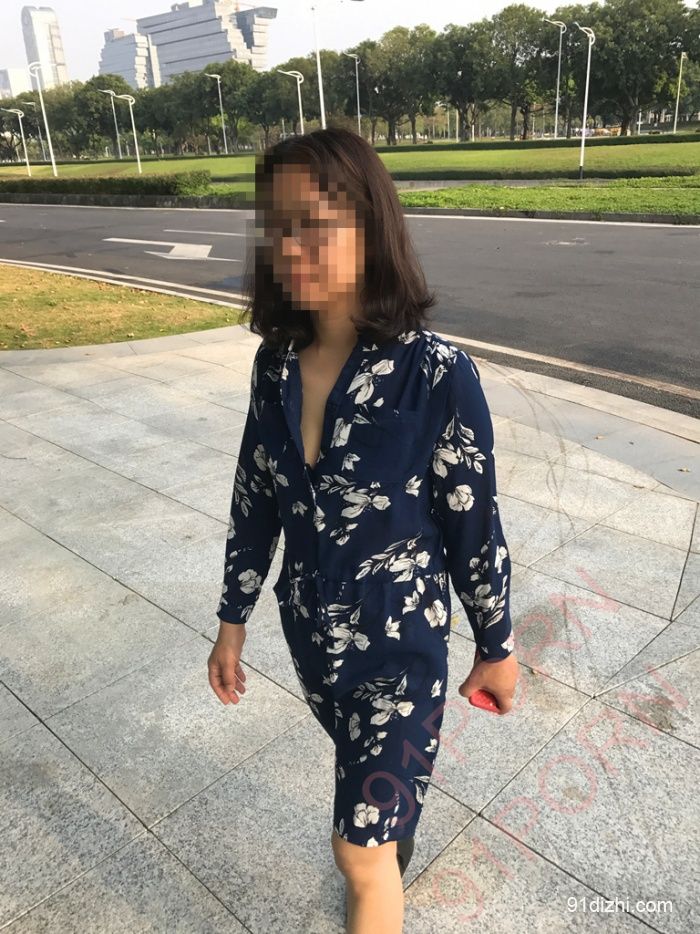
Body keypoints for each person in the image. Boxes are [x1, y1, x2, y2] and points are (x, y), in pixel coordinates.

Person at [207, 127, 519, 933]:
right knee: (370, 809)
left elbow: (474, 523)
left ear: (370, 229)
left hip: (401, 655)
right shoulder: (275, 365)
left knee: (357, 856)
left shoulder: (436, 374)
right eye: (278, 227)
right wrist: (232, 621)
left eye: (314, 225)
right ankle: (389, 825)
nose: (290, 247)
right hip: (314, 643)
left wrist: (496, 644)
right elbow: (255, 499)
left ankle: (377, 844)